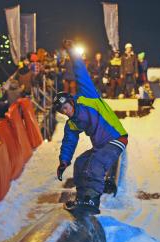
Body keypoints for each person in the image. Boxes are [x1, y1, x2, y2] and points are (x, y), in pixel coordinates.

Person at [53, 40, 128, 215]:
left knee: (95, 163)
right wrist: (64, 161)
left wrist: (72, 51)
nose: (66, 112)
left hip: (116, 138)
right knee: (80, 163)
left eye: (66, 107)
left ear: (71, 102)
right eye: (63, 111)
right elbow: (69, 142)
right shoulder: (72, 123)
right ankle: (82, 197)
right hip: (101, 145)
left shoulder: (87, 97)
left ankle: (93, 198)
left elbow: (80, 71)